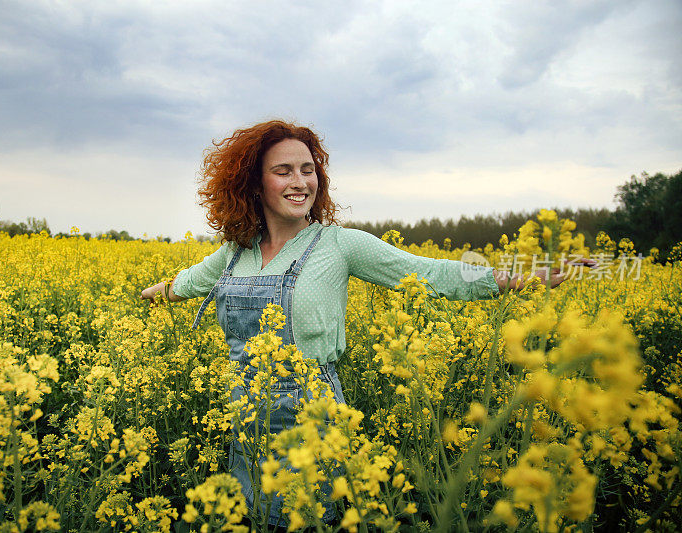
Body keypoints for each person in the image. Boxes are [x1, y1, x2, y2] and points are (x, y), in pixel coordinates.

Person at [140, 119, 591, 527]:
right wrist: (155, 295)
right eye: (284, 171)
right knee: (252, 517)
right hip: (244, 418)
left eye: (308, 169)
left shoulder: (338, 245)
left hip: (309, 417)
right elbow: (188, 283)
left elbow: (431, 273)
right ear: (253, 183)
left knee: (304, 519)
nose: (300, 182)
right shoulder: (233, 252)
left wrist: (524, 277)